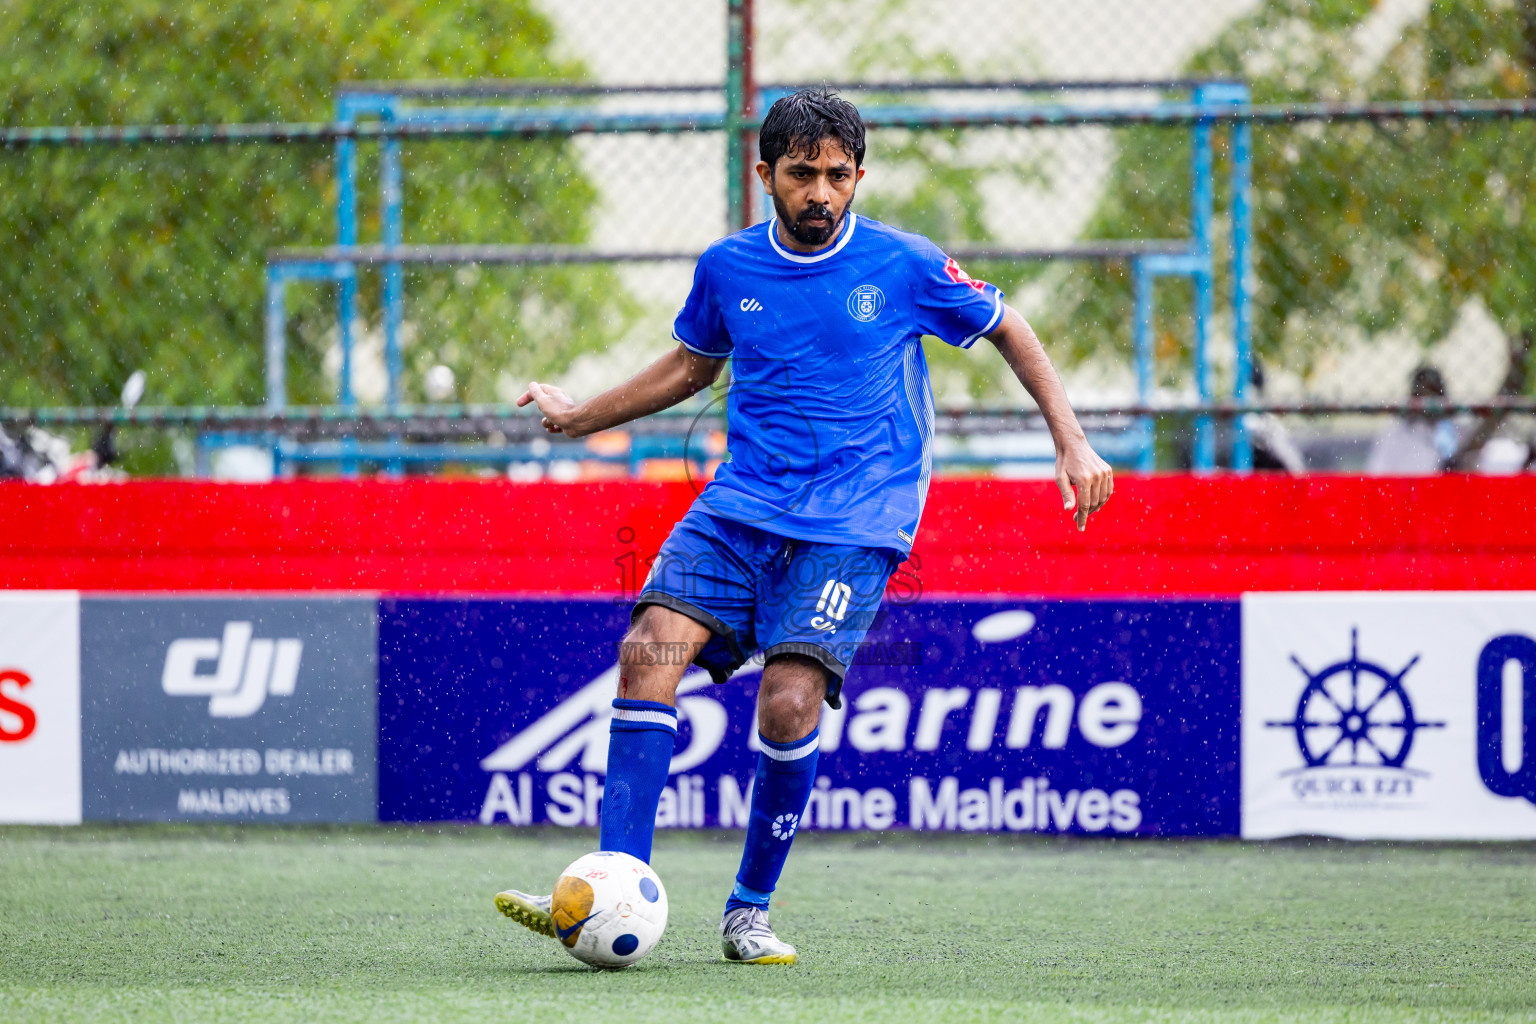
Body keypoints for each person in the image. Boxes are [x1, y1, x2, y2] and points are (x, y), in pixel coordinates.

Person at [495, 88, 1113, 965]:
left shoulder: (904, 264)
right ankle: (610, 883)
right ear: (766, 176)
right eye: (801, 175)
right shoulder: (729, 268)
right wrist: (578, 418)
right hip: (740, 506)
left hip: (856, 522)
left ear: (858, 176)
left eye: (836, 176)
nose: (820, 192)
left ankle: (748, 911)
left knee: (788, 701)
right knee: (649, 648)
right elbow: (689, 365)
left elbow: (1008, 325)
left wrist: (1073, 443)